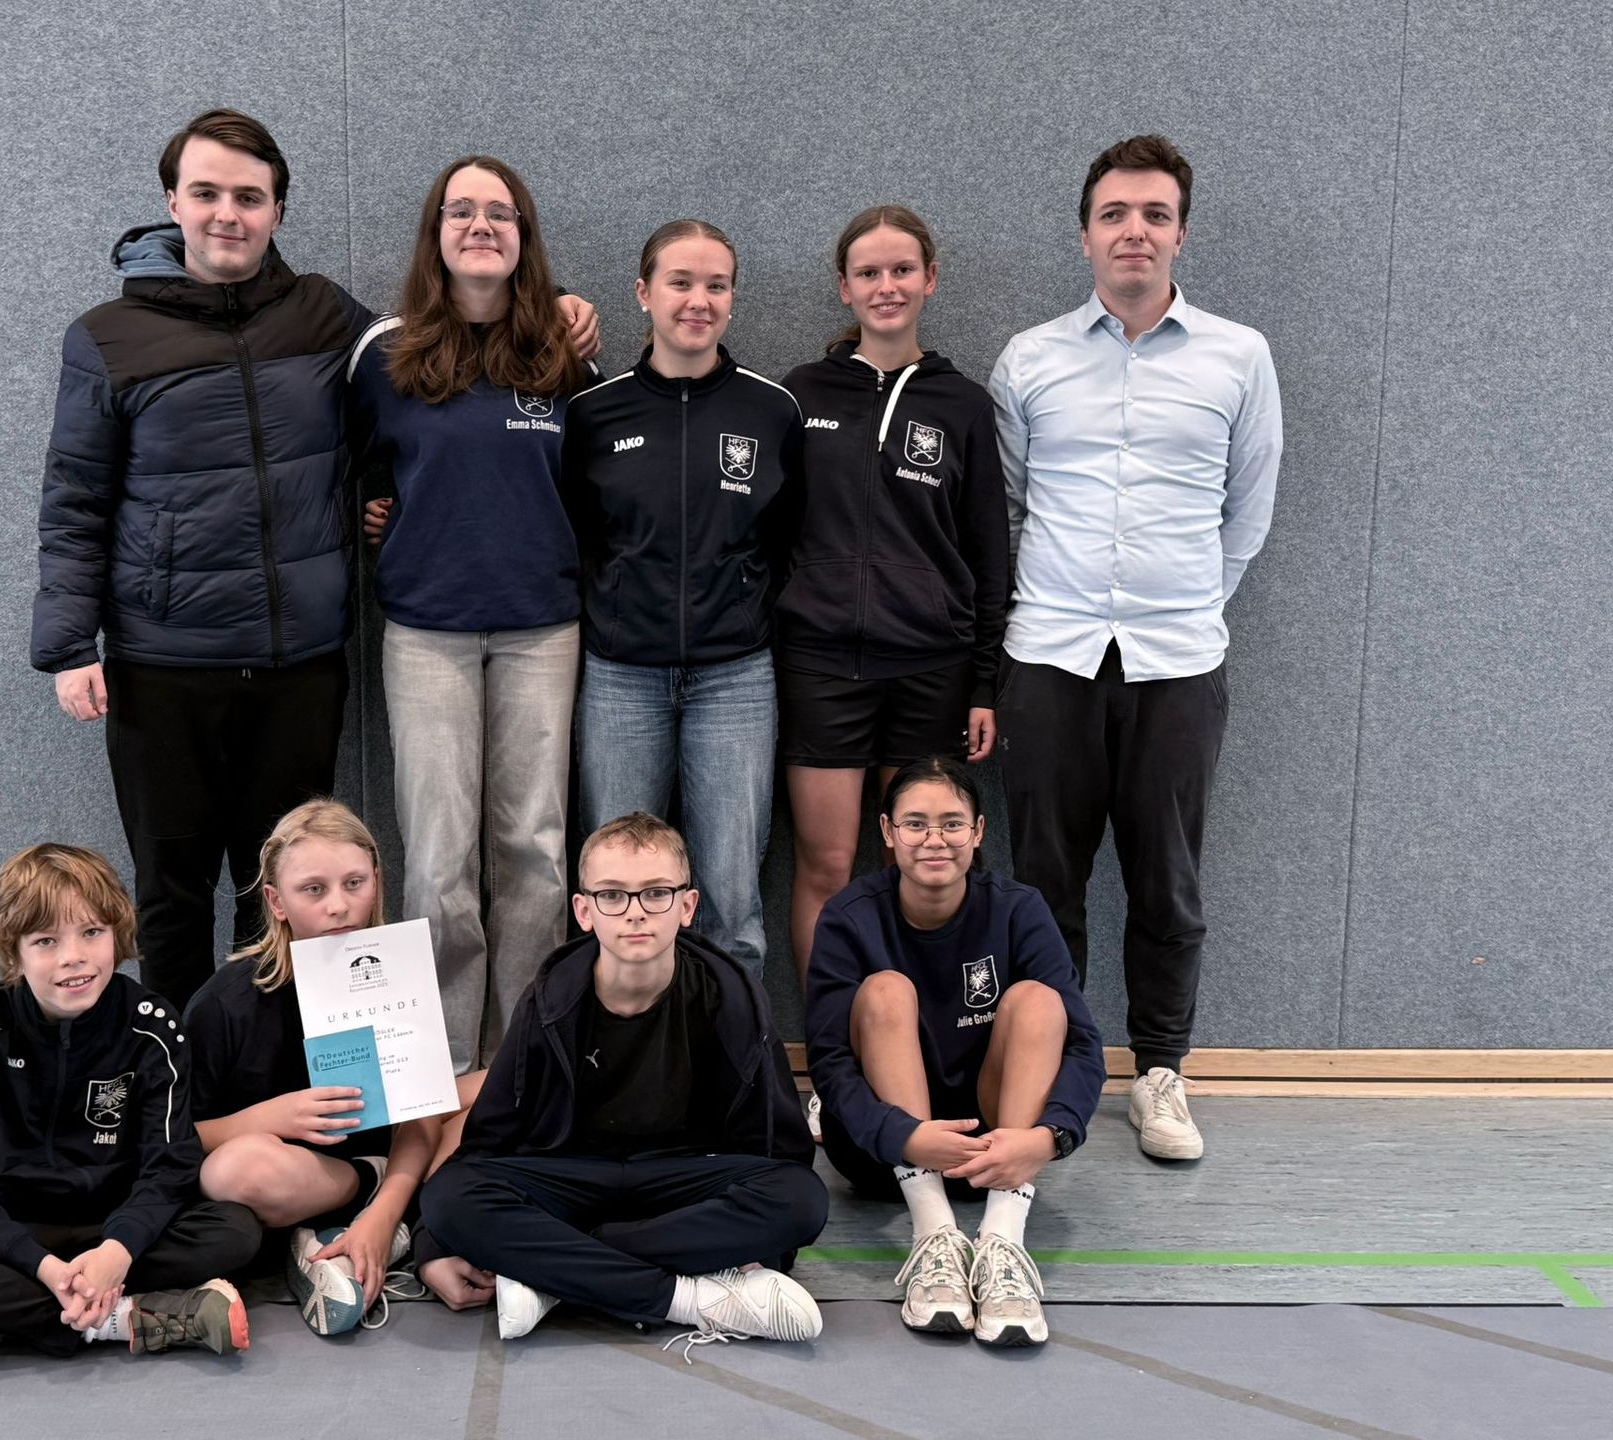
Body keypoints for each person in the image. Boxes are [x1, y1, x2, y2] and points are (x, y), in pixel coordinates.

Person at [30, 111, 598, 1011]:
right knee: (173, 889)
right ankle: (186, 1077)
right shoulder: (111, 335)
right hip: (162, 658)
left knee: (293, 891)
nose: (228, 213)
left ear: (278, 211)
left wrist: (556, 305)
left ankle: (291, 1068)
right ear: (172, 202)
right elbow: (75, 497)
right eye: (208, 193)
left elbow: (447, 367)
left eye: (249, 197)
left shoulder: (325, 315)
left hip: (297, 660)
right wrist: (69, 645)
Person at [987, 135, 1283, 1160]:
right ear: (1085, 235)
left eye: (1155, 214)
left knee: (1167, 879)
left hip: (1178, 660)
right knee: (1044, 879)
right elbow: (1008, 507)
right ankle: (1054, 1062)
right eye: (1114, 214)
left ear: (1180, 234)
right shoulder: (1030, 358)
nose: (1134, 231)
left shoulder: (1238, 357)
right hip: (1050, 655)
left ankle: (1160, 1071)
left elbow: (1248, 511)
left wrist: (1183, 601)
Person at [348, 156, 595, 1073]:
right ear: (436, 233)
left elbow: (597, 481)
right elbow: (341, 462)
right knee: (438, 859)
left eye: (500, 212)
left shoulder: (565, 353)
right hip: (427, 632)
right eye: (461, 211)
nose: (480, 225)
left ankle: (524, 1062)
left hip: (542, 627)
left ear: (524, 235)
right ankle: (444, 1067)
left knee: (535, 851)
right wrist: (375, 507)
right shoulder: (386, 354)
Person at [419, 812, 827, 1353]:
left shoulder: (732, 998)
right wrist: (431, 1246)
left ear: (687, 907)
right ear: (584, 912)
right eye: (612, 895)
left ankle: (553, 1275)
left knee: (802, 1199)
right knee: (449, 1198)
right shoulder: (550, 1000)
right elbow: (486, 1144)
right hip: (572, 1179)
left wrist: (768, 1243)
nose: (635, 912)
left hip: (682, 1188)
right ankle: (685, 1298)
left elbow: (781, 1155)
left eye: (656, 893)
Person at [0, 845, 260, 1382]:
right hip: (16, 1236)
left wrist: (116, 1251)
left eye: (91, 932)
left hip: (116, 1226)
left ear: (117, 934)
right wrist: (42, 1267)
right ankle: (120, 1319)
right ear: (13, 952)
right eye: (46, 941)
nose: (74, 957)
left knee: (235, 1231)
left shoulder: (154, 1030)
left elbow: (170, 1166)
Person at [560, 221, 803, 980]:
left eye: (716, 285)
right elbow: (576, 535)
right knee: (614, 891)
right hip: (620, 677)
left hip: (735, 678)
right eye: (680, 282)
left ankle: (734, 1053)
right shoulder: (595, 412)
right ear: (643, 293)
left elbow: (787, 540)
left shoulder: (771, 411)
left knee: (730, 899)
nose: (699, 300)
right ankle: (617, 1043)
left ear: (732, 297)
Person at [777, 204, 1009, 994]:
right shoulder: (801, 394)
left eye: (902, 269)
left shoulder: (962, 404)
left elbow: (988, 552)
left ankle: (916, 1036)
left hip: (931, 668)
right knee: (827, 862)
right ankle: (833, 1046)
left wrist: (984, 682)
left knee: (921, 863)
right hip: (820, 665)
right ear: (844, 287)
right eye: (869, 272)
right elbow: (768, 530)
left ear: (930, 279)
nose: (887, 285)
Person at [805, 757, 1104, 1346]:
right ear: (888, 832)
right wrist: (904, 1135)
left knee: (1040, 1001)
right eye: (915, 824)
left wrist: (1050, 1138)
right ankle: (933, 1236)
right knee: (885, 990)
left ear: (979, 831)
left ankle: (1003, 1239)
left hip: (996, 1150)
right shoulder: (849, 916)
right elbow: (830, 1062)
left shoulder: (1018, 908)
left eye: (951, 823)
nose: (934, 840)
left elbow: (1083, 1045)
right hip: (887, 1153)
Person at [182, 798, 444, 1338]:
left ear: (376, 881)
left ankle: (374, 1229)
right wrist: (271, 1117)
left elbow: (423, 1117)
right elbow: (185, 1136)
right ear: (276, 901)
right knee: (234, 1171)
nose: (339, 906)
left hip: (392, 1155)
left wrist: (382, 1217)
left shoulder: (396, 973)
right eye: (314, 890)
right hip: (293, 1176)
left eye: (355, 883)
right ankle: (379, 1208)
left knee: (494, 1088)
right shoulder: (224, 1003)